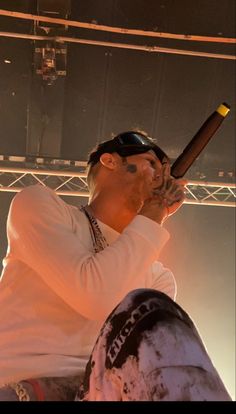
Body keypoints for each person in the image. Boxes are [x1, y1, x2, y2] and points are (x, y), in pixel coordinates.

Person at [0, 131, 231, 401]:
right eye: (152, 163)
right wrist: (155, 210)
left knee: (161, 315)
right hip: (22, 386)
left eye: (166, 170)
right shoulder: (39, 205)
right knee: (150, 305)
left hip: (104, 391)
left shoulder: (157, 277)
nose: (162, 177)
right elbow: (96, 295)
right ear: (110, 161)